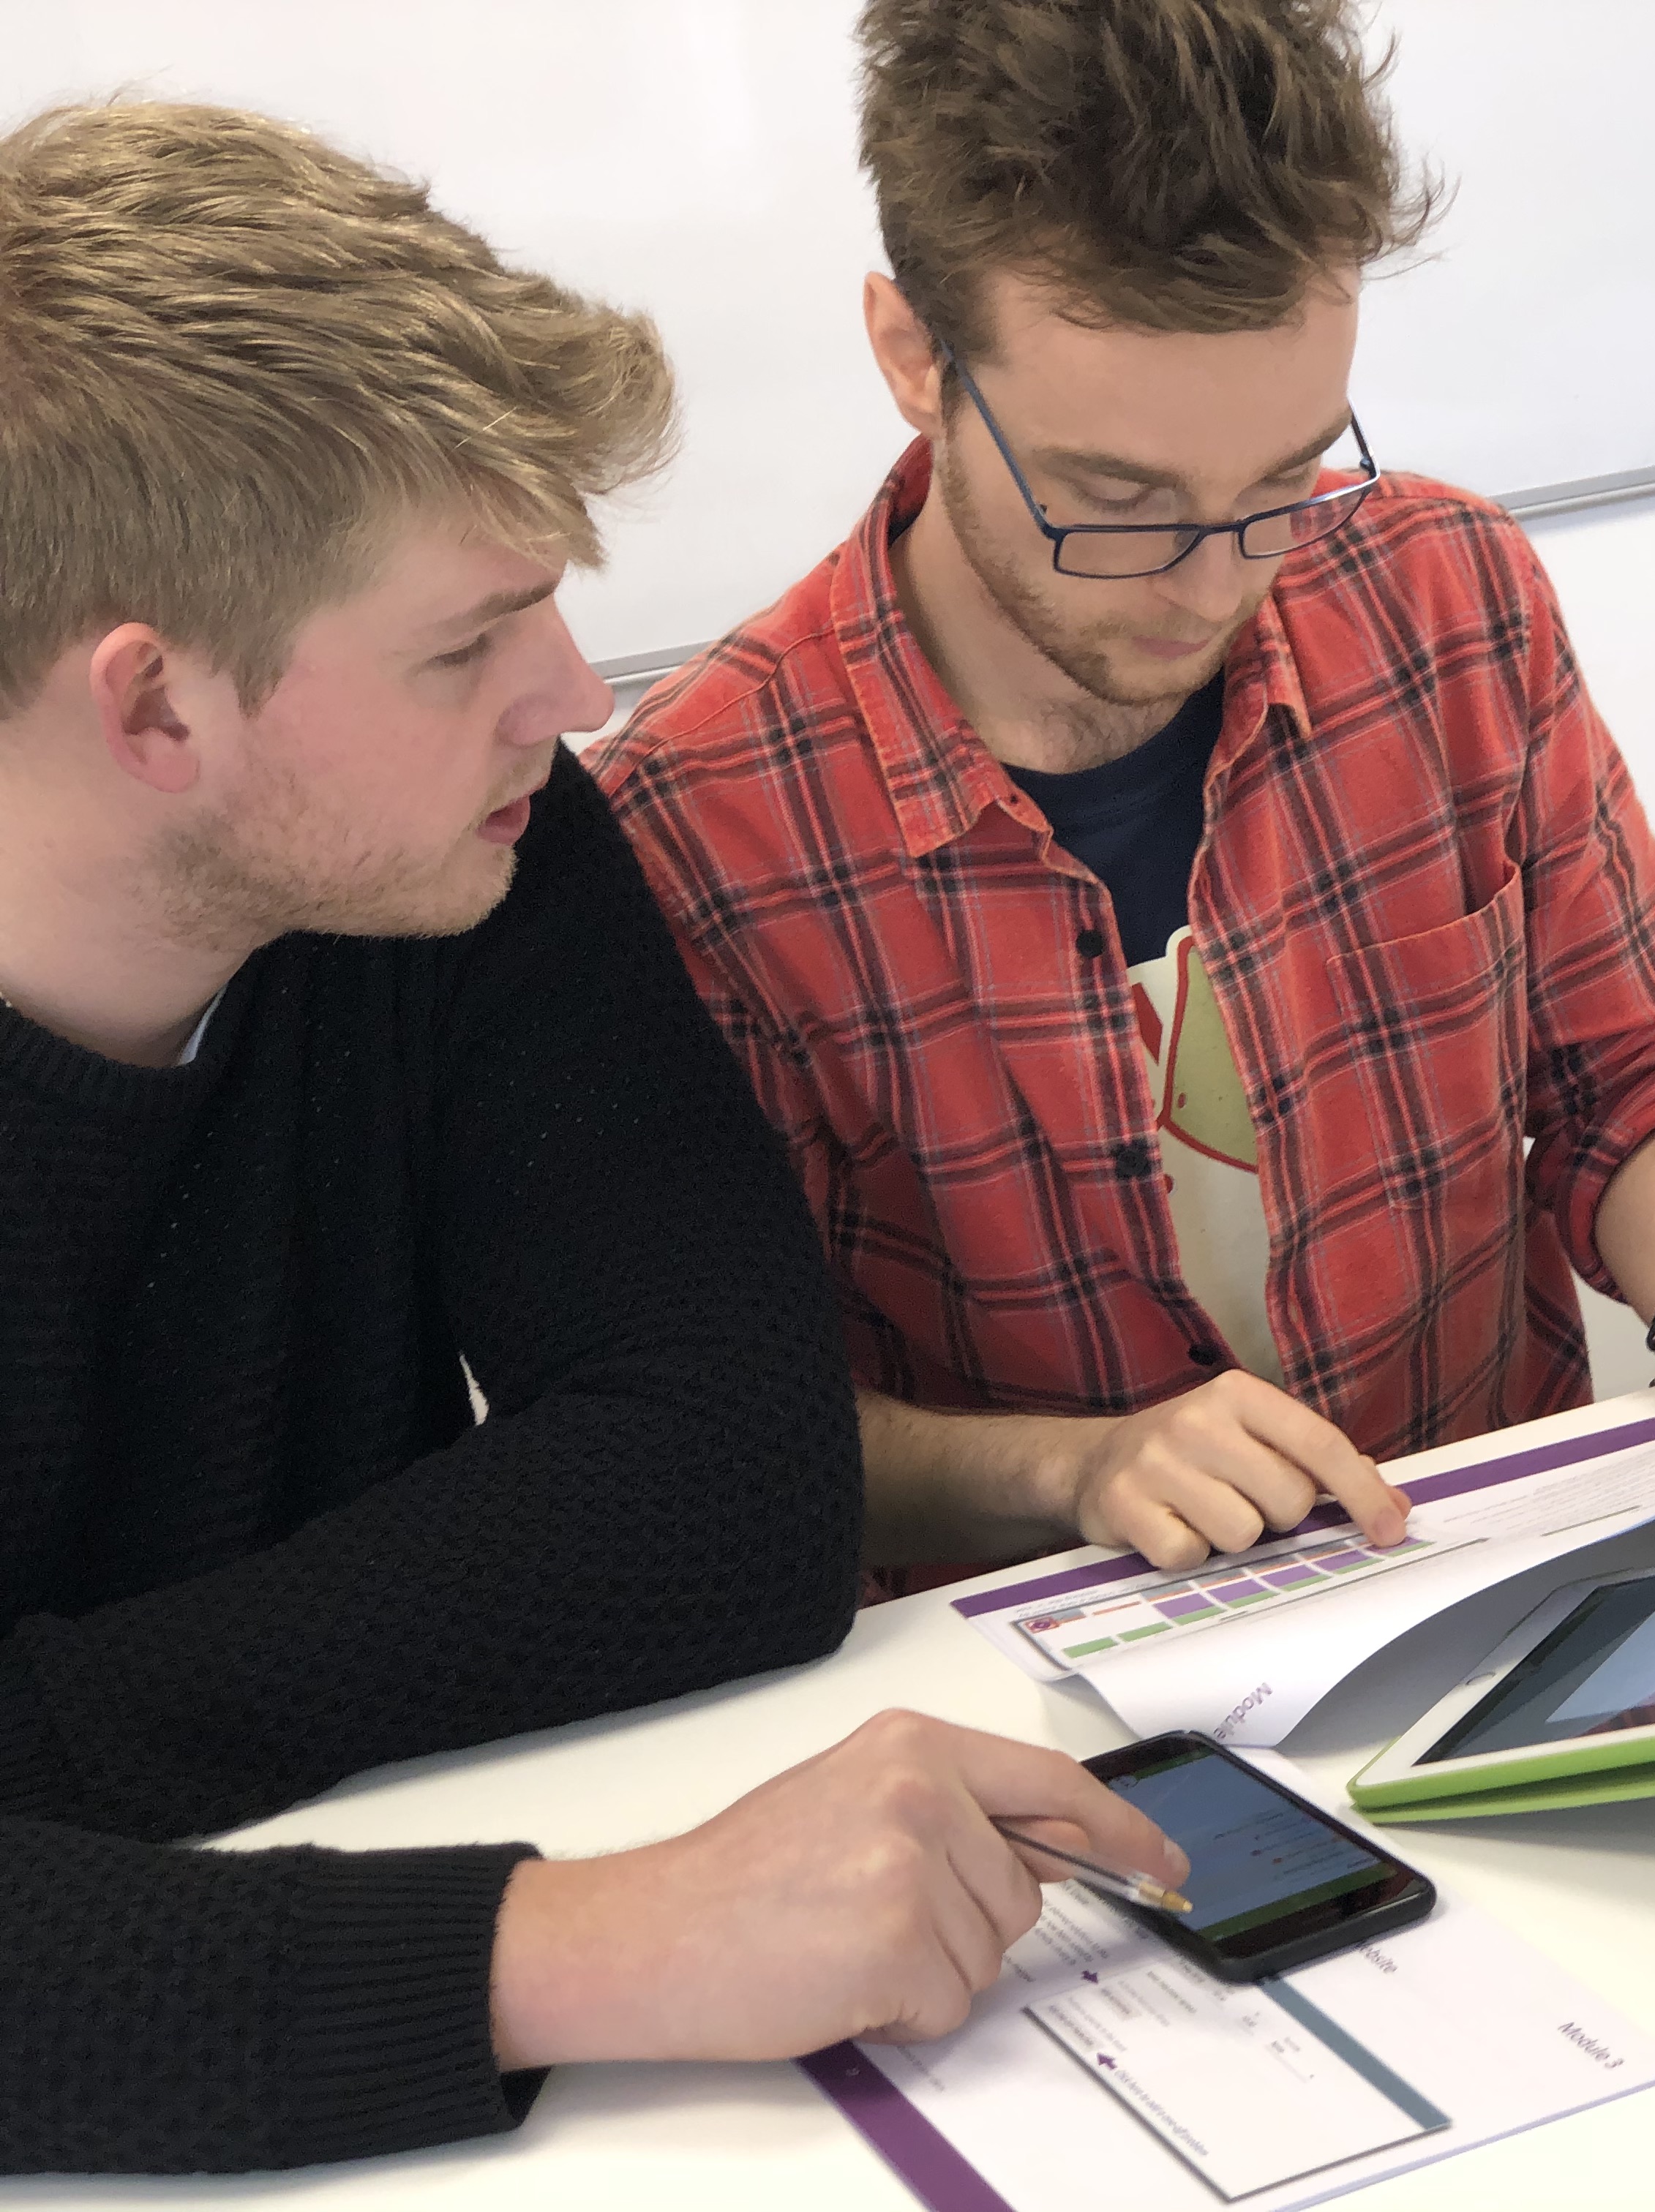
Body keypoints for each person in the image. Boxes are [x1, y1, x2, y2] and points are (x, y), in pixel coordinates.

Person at [0, 103, 1183, 2178]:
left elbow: (734, 1483)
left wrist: (37, 1754)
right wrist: (590, 1942)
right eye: (470, 643)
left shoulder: (467, 851)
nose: (570, 688)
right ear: (155, 710)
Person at [596, 0, 1655, 1595]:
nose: (1217, 581)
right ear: (913, 355)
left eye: (1286, 482)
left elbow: (1639, 1071)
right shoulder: (695, 825)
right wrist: (1074, 1467)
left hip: (1498, 1595)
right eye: (1118, 502)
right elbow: (723, 1438)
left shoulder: (1445, 593)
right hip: (1056, 1726)